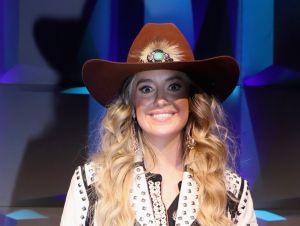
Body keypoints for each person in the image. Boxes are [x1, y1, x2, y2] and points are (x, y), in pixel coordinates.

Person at [60, 23, 258, 226]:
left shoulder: (230, 191)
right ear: (131, 104)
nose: (160, 99)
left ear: (191, 100)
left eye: (173, 86)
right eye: (146, 88)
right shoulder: (92, 184)